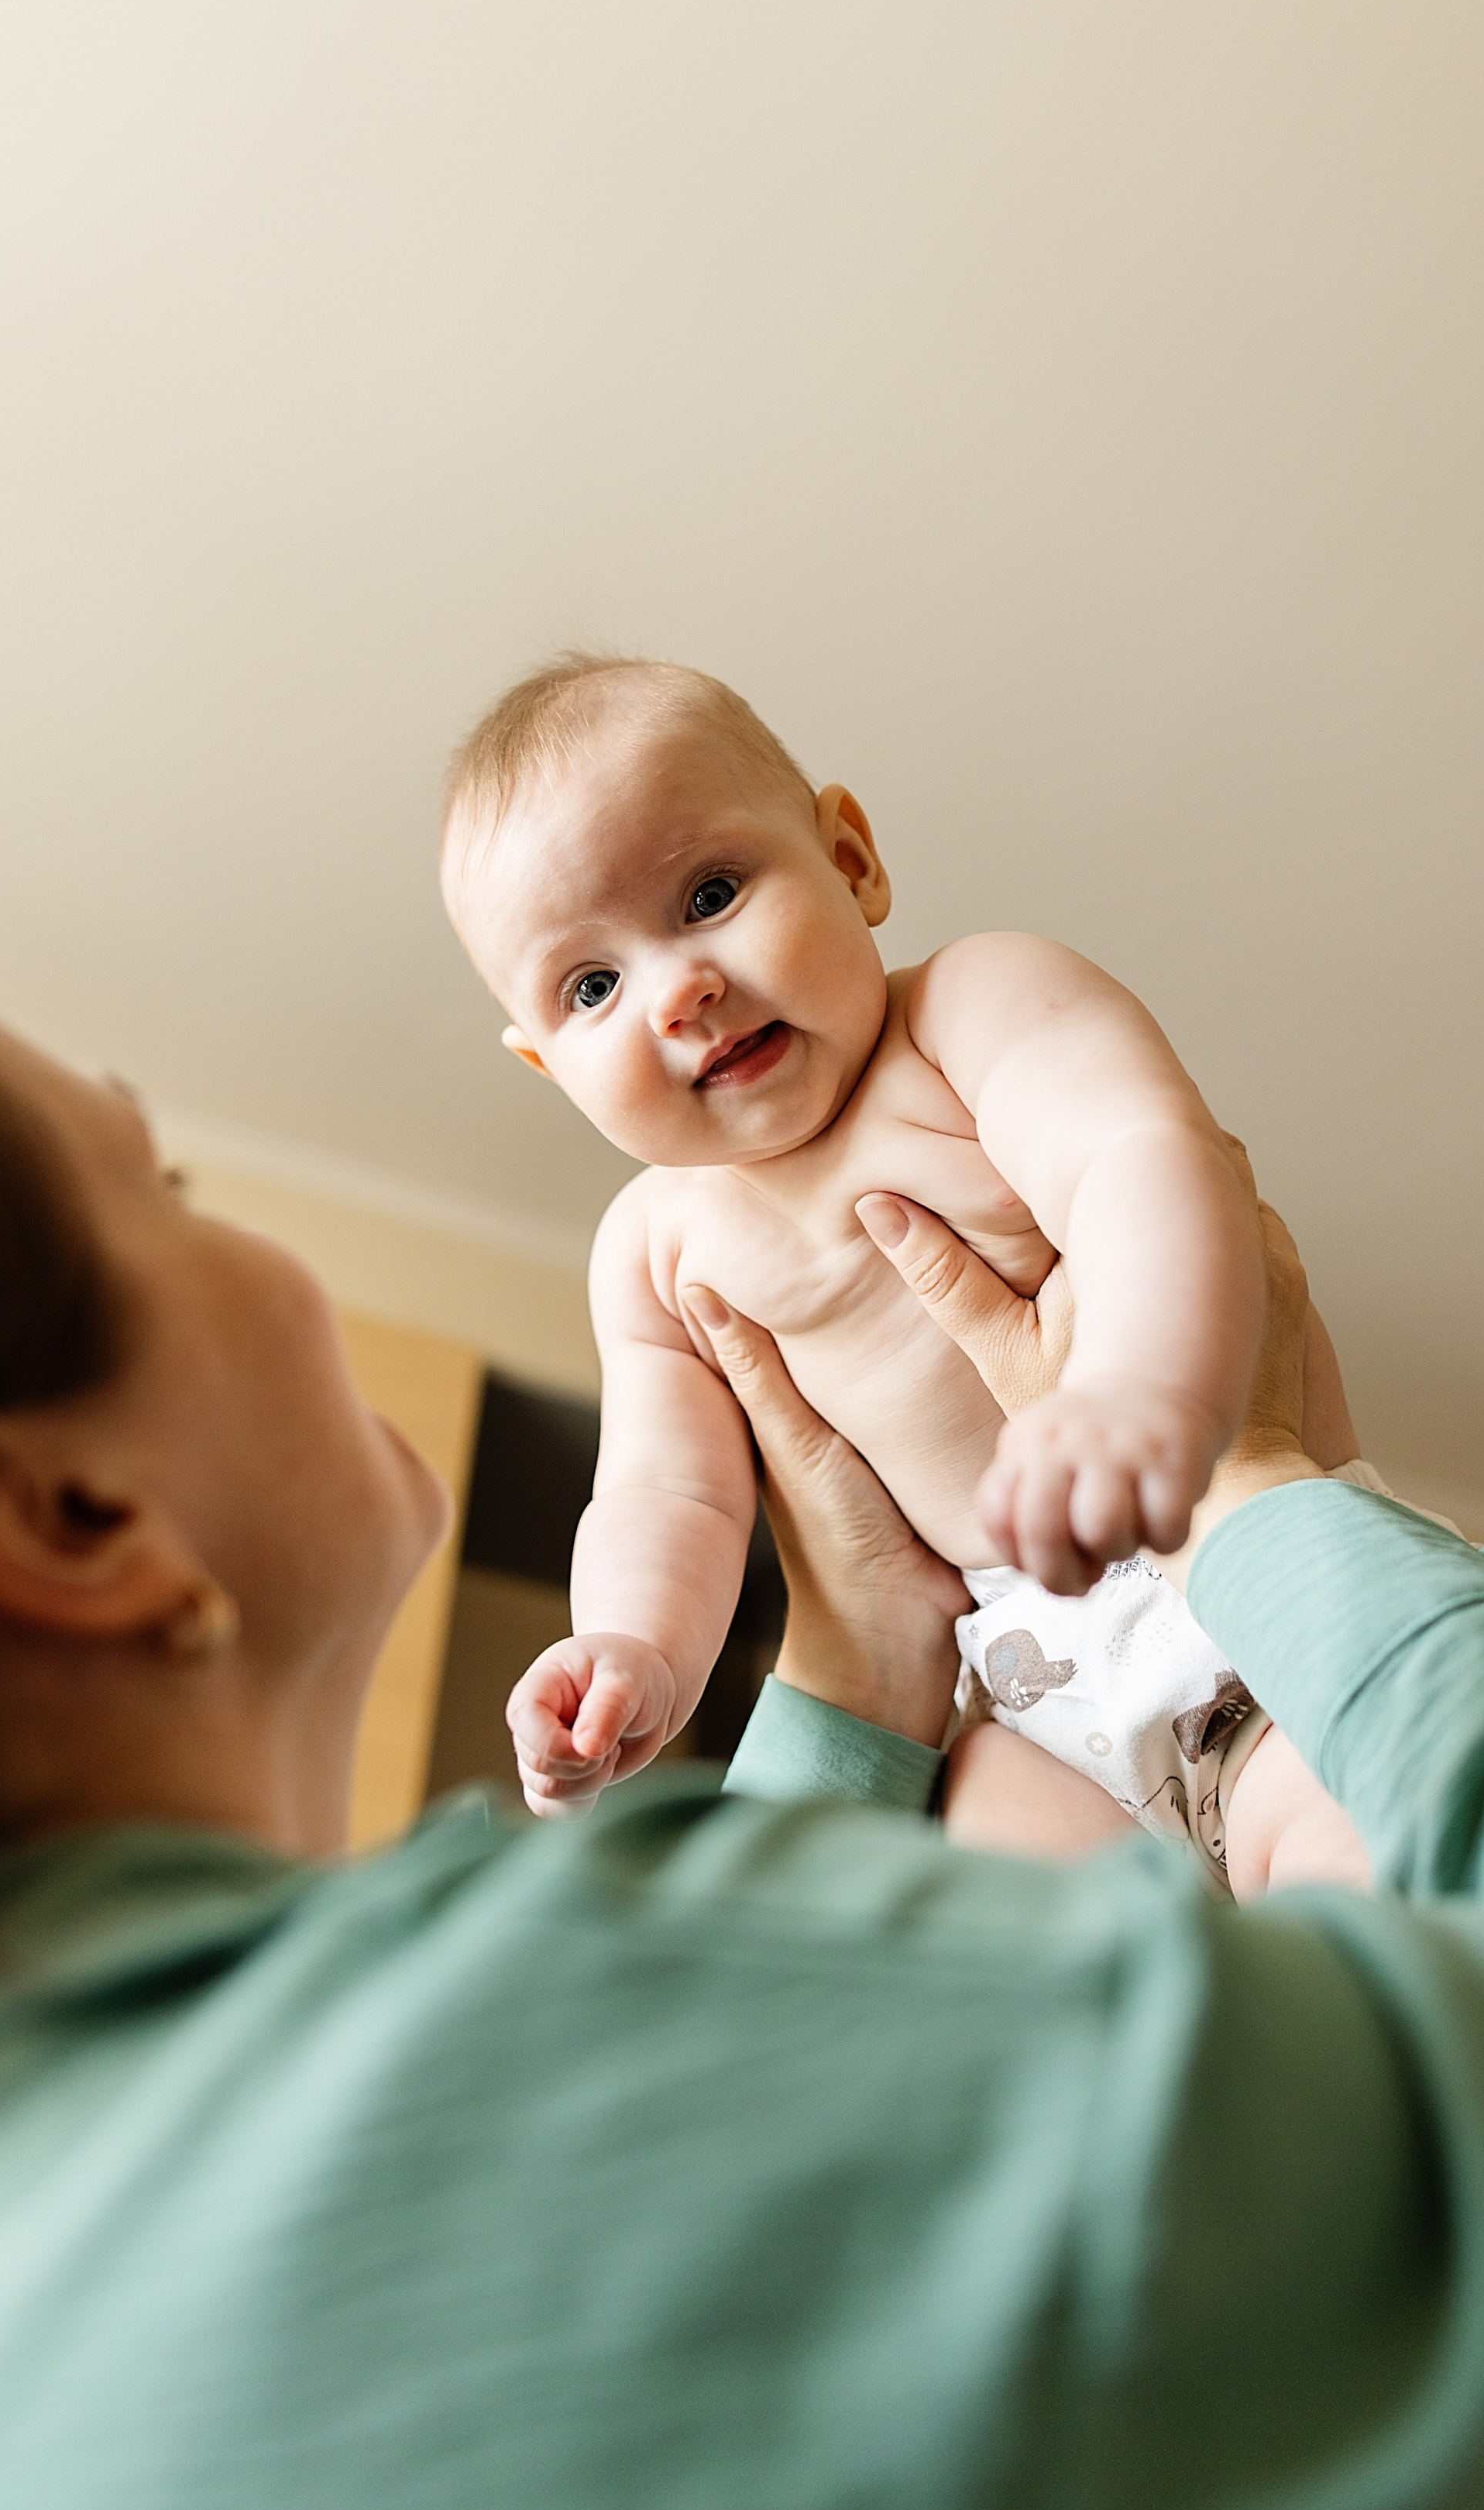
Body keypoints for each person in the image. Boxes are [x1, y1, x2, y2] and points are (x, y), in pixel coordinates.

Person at [0, 914, 1484, 2510]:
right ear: (72, 1516)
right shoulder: (546, 2029)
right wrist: (1254, 1493)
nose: (673, 986)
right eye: (159, 1186)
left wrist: (848, 1681)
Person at [437, 653, 1308, 1841]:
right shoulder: (653, 1251)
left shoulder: (968, 1014)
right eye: (592, 986)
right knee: (985, 1846)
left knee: (1322, 1831)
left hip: (1224, 1558)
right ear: (548, 1067)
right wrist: (633, 1646)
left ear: (850, 859)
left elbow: (1138, 1161)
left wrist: (1141, 1389)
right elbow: (666, 1490)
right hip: (1021, 1686)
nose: (678, 991)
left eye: (708, 895)